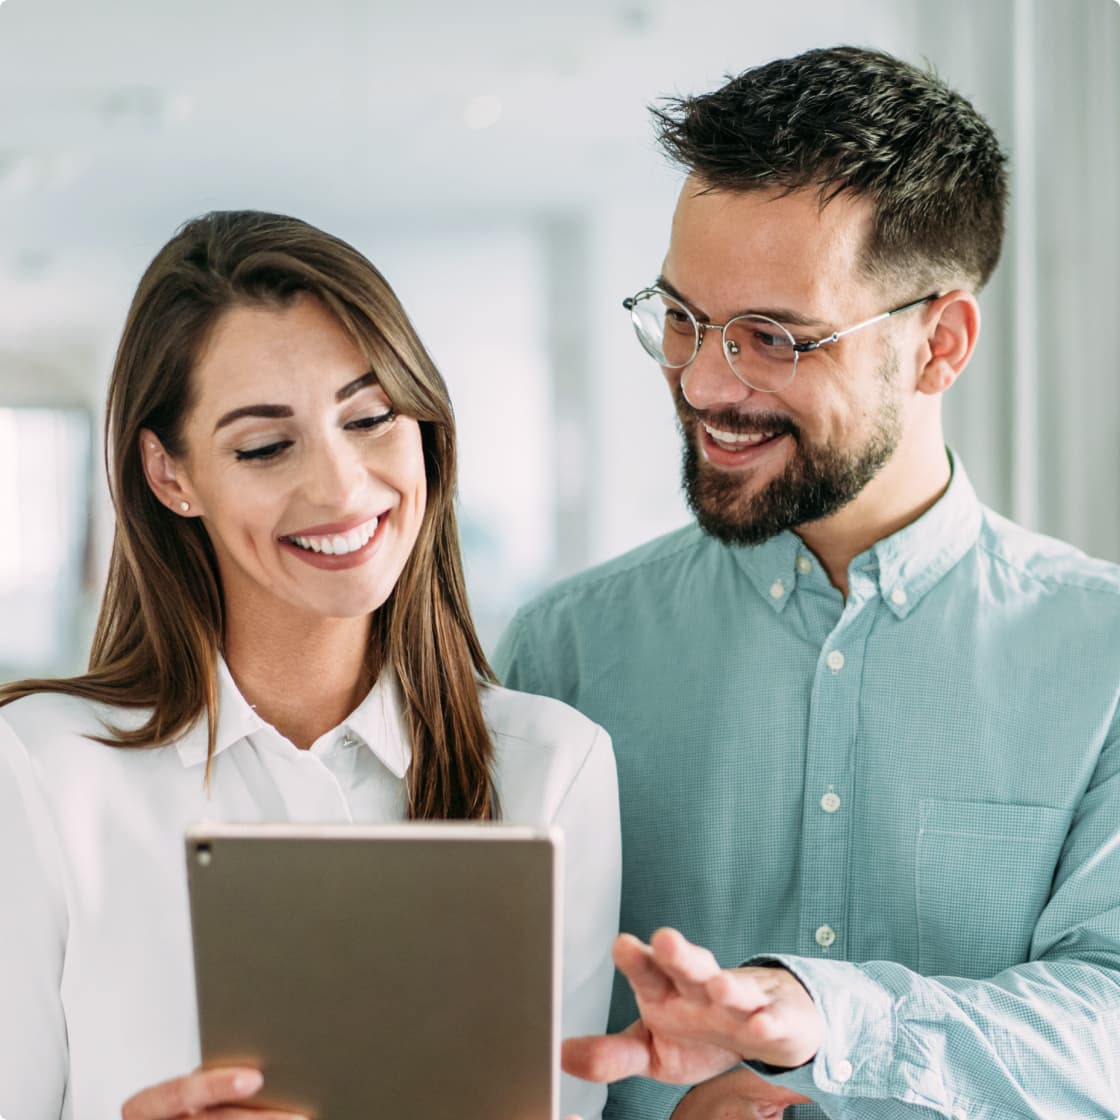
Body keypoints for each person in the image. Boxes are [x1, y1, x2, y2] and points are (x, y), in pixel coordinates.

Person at [494, 45, 1120, 1120]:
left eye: (774, 339)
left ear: (939, 346)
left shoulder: (1099, 653)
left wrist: (822, 1020)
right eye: (681, 318)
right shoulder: (567, 652)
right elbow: (503, 1021)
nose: (703, 382)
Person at [0, 210, 620, 1120]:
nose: (338, 487)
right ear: (170, 474)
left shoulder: (552, 767)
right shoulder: (40, 772)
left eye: (370, 418)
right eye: (264, 445)